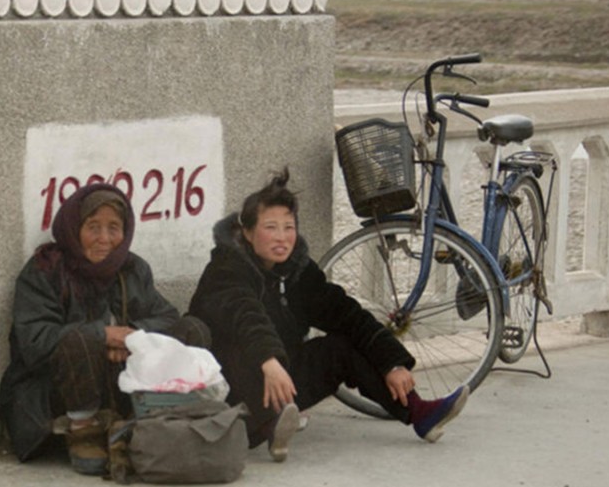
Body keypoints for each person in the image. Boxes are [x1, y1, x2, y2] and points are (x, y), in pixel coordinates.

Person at [188, 168, 468, 462]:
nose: (282, 238)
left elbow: (345, 313)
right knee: (245, 349)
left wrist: (392, 362)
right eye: (270, 227)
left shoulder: (297, 271)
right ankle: (267, 421)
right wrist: (268, 361)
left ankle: (420, 413)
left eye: (289, 227)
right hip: (229, 390)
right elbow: (245, 315)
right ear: (247, 232)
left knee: (341, 347)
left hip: (282, 380)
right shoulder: (226, 269)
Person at [0, 183, 210, 475]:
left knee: (192, 329)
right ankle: (84, 428)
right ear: (74, 227)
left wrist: (131, 337)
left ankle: (166, 416)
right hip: (56, 390)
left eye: (114, 228)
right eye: (93, 227)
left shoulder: (132, 268)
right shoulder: (45, 270)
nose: (104, 239)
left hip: (120, 380)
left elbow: (166, 317)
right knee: (80, 339)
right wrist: (104, 336)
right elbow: (36, 342)